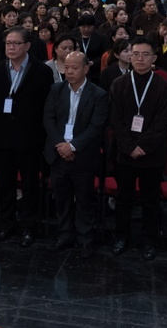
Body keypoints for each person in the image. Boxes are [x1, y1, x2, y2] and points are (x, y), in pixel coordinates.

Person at [109, 36, 167, 260]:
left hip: (152, 154)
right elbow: (115, 120)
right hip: (124, 152)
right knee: (124, 197)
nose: (139, 58)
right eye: (135, 54)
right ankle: (121, 236)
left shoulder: (163, 87)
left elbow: (163, 122)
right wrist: (129, 146)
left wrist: (143, 146)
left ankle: (149, 240)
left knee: (150, 199)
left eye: (145, 54)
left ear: (154, 58)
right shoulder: (119, 84)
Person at [0, 26, 54, 246]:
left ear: (27, 46)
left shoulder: (42, 71)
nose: (11, 47)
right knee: (5, 184)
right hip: (2, 138)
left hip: (30, 138)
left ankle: (28, 227)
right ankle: (6, 225)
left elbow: (47, 107)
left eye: (16, 43)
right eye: (8, 43)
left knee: (29, 185)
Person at [43, 51, 109, 259]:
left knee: (84, 199)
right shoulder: (56, 89)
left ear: (86, 69)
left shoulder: (98, 94)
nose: (69, 72)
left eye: (74, 68)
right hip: (58, 153)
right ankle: (64, 234)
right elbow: (49, 120)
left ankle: (85, 238)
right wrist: (61, 145)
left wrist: (73, 147)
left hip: (83, 156)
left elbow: (96, 126)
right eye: (66, 67)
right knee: (61, 198)